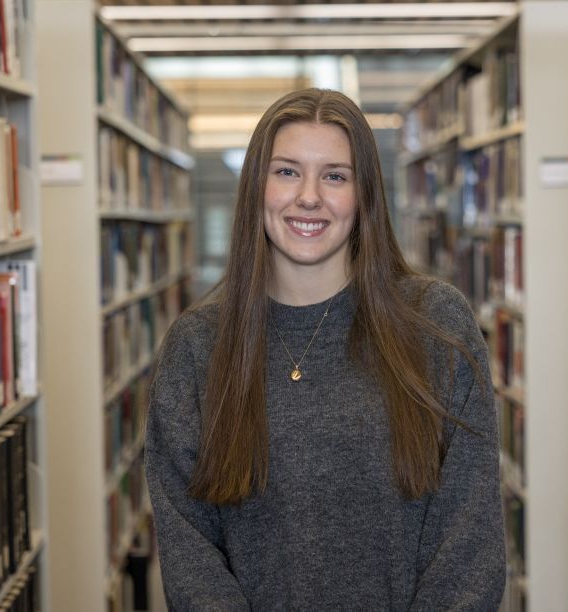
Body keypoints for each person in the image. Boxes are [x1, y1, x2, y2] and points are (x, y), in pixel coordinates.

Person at [145, 88, 506, 611]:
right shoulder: (197, 346)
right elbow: (189, 551)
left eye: (334, 176)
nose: (308, 196)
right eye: (287, 172)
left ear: (364, 197)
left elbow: (469, 541)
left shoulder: (434, 324)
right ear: (256, 187)